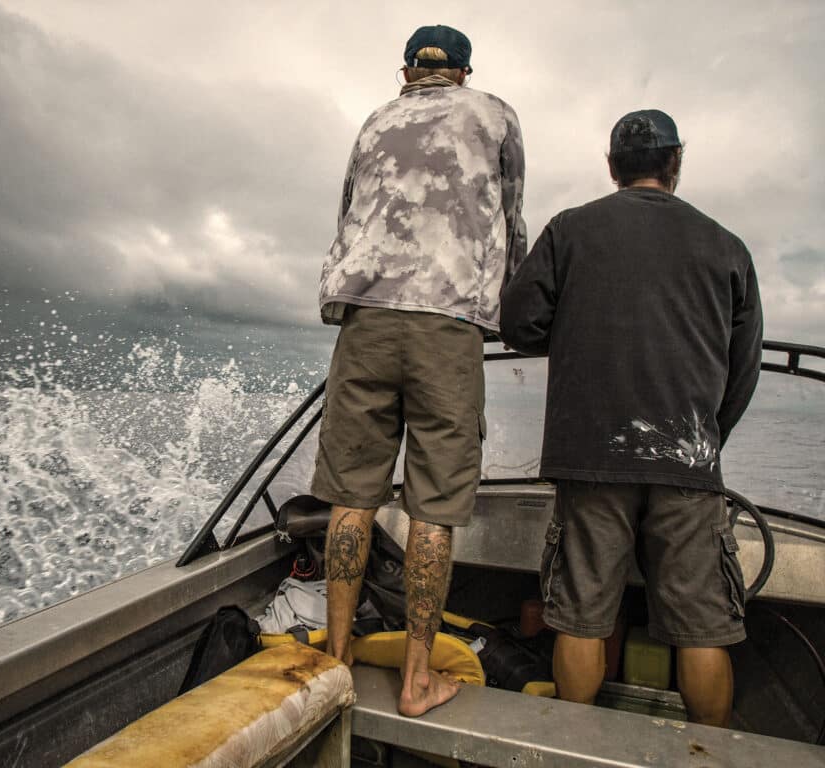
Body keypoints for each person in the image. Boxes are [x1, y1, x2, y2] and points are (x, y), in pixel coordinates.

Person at [500, 109, 762, 726]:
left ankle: (572, 750)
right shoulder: (727, 245)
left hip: (591, 454)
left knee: (582, 615)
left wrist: (574, 334)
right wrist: (704, 438)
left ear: (613, 168)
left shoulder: (570, 230)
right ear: (675, 164)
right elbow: (743, 366)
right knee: (704, 629)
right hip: (688, 459)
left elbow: (518, 324)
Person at [312, 24, 526, 717]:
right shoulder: (494, 114)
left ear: (406, 71)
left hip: (366, 317)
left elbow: (347, 213)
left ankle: (337, 660)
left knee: (351, 497)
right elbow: (510, 222)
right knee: (434, 509)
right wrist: (508, 311)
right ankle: (416, 682)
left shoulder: (375, 120)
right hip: (447, 324)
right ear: (463, 72)